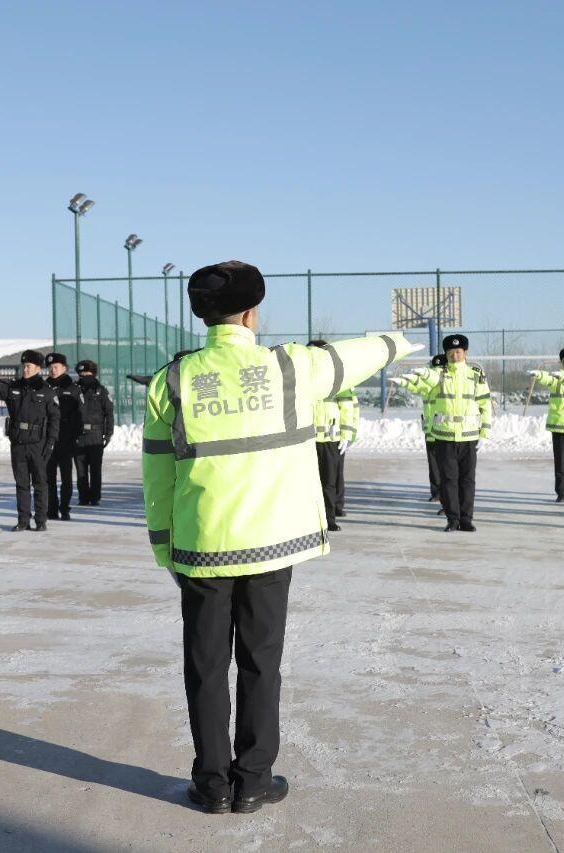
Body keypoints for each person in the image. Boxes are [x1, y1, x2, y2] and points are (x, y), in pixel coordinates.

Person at [142, 261, 416, 814]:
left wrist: (164, 545)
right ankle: (253, 780)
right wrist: (400, 340)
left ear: (203, 315)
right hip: (271, 545)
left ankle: (212, 784)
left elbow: (158, 474)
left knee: (205, 666)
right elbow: (356, 356)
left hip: (202, 547)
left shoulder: (171, 380)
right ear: (251, 313)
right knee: (261, 661)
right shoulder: (290, 368)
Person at [396, 334, 492, 532]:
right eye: (450, 353)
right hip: (444, 436)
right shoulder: (438, 374)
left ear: (465, 352)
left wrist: (484, 433)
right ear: (446, 355)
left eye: (458, 352)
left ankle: (466, 519)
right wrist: (411, 379)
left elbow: (485, 404)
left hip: (468, 437)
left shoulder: (476, 375)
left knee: (467, 481)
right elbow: (423, 384)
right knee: (448, 480)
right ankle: (453, 519)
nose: (454, 356)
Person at [0, 351, 60, 531]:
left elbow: (55, 418)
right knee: (21, 484)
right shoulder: (13, 388)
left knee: (40, 483)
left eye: (29, 366)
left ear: (38, 368)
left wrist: (51, 442)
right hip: (18, 443)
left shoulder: (46, 391)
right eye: (23, 366)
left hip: (38, 444)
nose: (25, 369)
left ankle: (41, 520)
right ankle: (23, 520)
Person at [390, 353, 446, 504]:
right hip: (435, 430)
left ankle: (441, 493)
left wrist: (407, 381)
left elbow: (418, 386)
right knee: (438, 465)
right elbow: (417, 386)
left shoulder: (441, 384)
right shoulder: (432, 385)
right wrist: (406, 381)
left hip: (438, 431)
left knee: (439, 465)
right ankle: (439, 493)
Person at [527, 346, 564, 502]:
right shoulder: (557, 376)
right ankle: (561, 492)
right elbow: (548, 378)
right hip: (559, 426)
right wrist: (539, 375)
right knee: (560, 462)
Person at [307, 340, 345, 531]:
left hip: (330, 440)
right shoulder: (301, 378)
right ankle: (309, 521)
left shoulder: (338, 378)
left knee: (329, 483)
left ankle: (329, 519)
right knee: (307, 483)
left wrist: (346, 434)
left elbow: (349, 407)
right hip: (308, 441)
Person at [44, 352, 81, 521]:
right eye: (50, 367)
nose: (53, 370)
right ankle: (51, 509)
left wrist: (76, 437)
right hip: (47, 440)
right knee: (48, 478)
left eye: (56, 367)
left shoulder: (73, 388)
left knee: (66, 478)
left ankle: (65, 508)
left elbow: (80, 416)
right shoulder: (43, 387)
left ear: (64, 368)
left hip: (66, 439)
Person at [73, 359, 114, 506]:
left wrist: (108, 434)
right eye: (82, 374)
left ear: (93, 374)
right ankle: (83, 497)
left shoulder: (101, 391)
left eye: (87, 374)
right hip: (79, 435)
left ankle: (95, 496)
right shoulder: (75, 390)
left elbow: (109, 413)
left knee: (95, 469)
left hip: (96, 435)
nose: (84, 377)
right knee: (81, 469)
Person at [334, 382, 358, 517]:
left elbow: (350, 414)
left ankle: (337, 505)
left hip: (336, 437)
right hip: (332, 435)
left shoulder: (344, 386)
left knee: (336, 473)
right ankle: (335, 505)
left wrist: (347, 436)